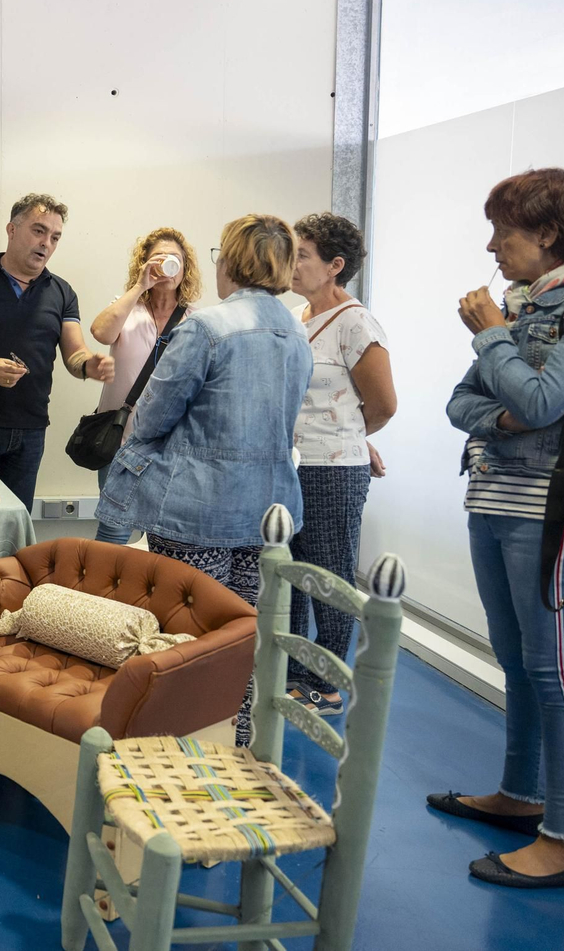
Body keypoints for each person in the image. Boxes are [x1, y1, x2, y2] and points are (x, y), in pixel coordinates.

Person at [432, 167, 564, 888]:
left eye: (504, 230)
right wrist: (505, 412)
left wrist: (496, 342)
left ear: (549, 234)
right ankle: (522, 794)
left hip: (554, 511)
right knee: (516, 658)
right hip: (496, 498)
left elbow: (546, 394)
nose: (492, 245)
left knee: (557, 673)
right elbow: (463, 402)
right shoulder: (521, 303)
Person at [94, 214, 311, 746]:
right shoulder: (296, 332)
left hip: (198, 511)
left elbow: (151, 414)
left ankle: (177, 749)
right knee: (246, 639)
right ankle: (235, 743)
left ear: (230, 261)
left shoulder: (207, 327)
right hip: (270, 514)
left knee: (186, 641)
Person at [0, 194, 114, 512]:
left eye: (55, 237)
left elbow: (75, 356)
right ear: (12, 229)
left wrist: (91, 365)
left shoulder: (62, 292)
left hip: (31, 432)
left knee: (15, 528)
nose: (46, 243)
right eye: (38, 230)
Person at [286, 212, 396, 715]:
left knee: (328, 577)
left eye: (302, 254)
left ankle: (327, 685)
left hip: (333, 471)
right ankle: (290, 673)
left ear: (335, 265)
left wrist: (352, 438)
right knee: (288, 573)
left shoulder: (356, 323)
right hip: (289, 465)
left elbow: (382, 404)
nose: (292, 261)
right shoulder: (295, 315)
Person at [88, 227, 202, 543]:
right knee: (113, 528)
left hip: (171, 447)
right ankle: (103, 593)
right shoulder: (128, 308)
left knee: (164, 534)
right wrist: (141, 285)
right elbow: (101, 333)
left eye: (174, 259)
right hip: (120, 438)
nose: (167, 265)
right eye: (158, 258)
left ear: (185, 269)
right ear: (144, 263)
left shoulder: (196, 321)